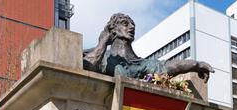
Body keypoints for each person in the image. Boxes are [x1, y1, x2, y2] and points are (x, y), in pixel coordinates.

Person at [83, 13, 214, 82]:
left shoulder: (142, 64)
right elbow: (88, 68)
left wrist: (196, 64)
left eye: (132, 25)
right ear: (113, 29)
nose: (131, 27)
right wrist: (103, 41)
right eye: (125, 24)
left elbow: (169, 67)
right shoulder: (102, 55)